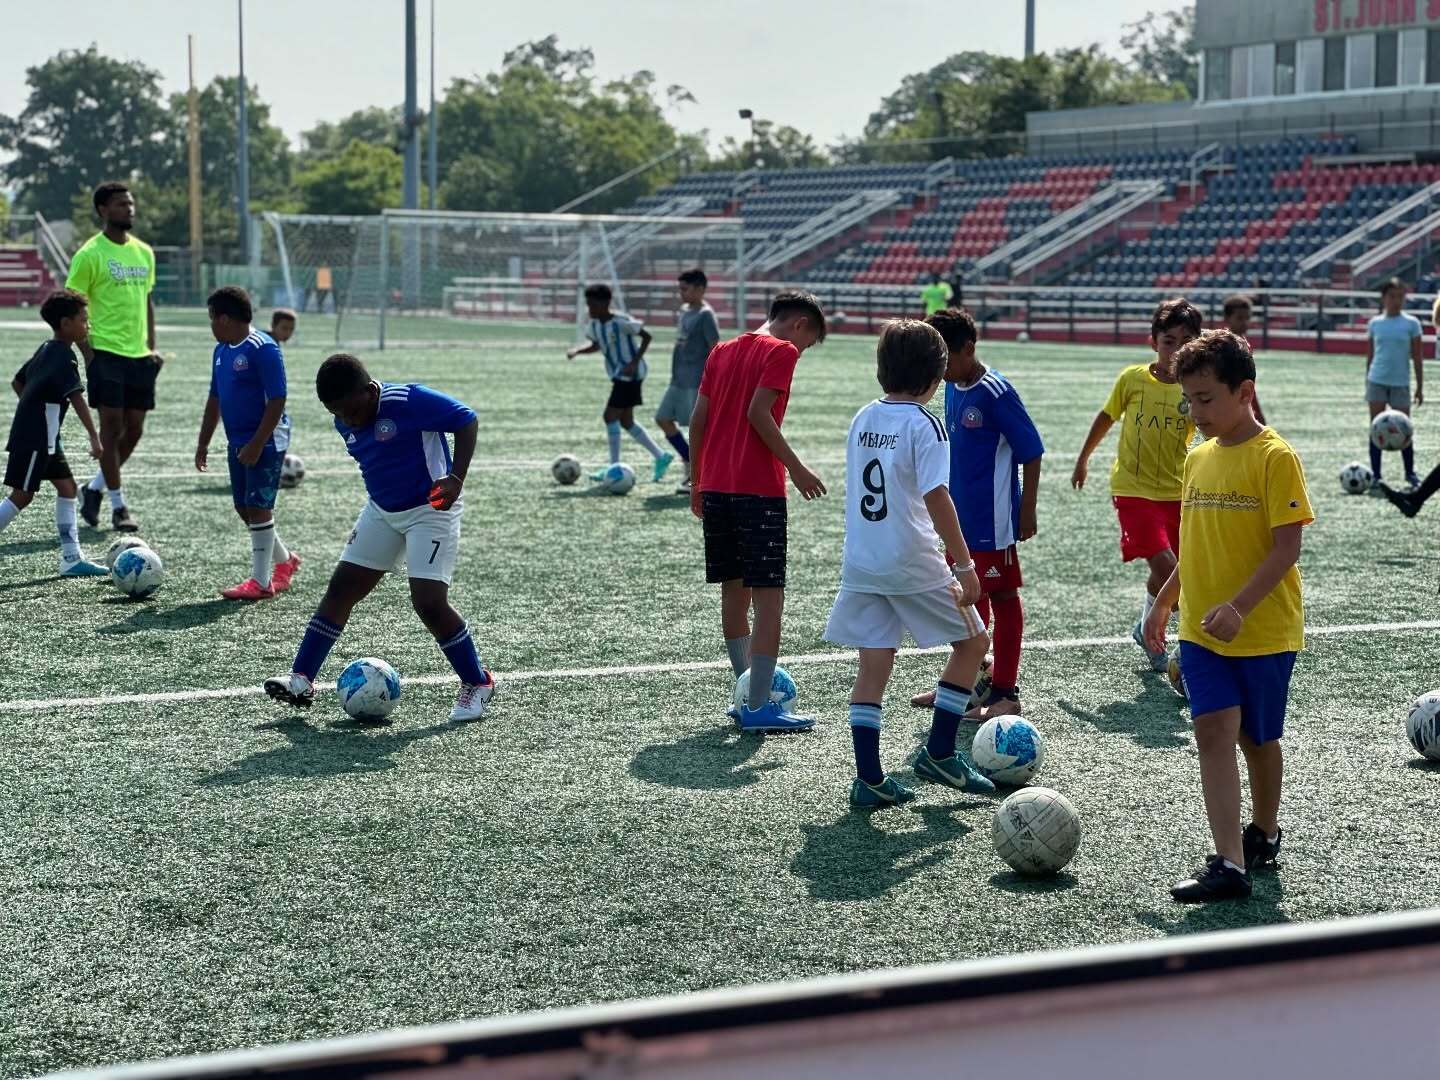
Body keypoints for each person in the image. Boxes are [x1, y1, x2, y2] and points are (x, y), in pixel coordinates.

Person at [1143, 330, 1312, 903]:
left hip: (1263, 631)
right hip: (1200, 632)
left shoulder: (1275, 457)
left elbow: (1286, 548)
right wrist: (1165, 601)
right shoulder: (1196, 457)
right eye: (1189, 399)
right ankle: (1229, 864)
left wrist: (1240, 607)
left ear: (1245, 392)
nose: (1196, 411)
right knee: (1213, 731)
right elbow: (1192, 547)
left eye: (1207, 398)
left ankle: (1263, 831)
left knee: (1257, 740)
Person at [264, 354, 496, 722]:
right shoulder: (344, 418)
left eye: (350, 410)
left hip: (430, 511)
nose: (345, 419)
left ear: (371, 392)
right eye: (335, 412)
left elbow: (466, 419)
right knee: (341, 589)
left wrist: (455, 478)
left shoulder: (409, 400)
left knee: (429, 603)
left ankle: (477, 682)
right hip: (382, 511)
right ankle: (301, 680)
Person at [824, 319, 996, 806]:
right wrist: (964, 567)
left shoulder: (864, 417)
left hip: (862, 561)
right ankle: (940, 751)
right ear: (938, 374)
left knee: (874, 663)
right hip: (910, 559)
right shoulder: (926, 423)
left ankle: (870, 779)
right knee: (974, 642)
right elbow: (937, 497)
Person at [688, 291, 827, 732]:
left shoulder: (722, 350)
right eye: (807, 345)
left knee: (734, 591)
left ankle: (746, 692)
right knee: (769, 599)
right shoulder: (781, 350)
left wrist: (697, 480)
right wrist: (798, 468)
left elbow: (698, 420)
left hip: (717, 487)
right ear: (799, 325)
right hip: (757, 489)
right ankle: (758, 707)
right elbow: (758, 414)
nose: (800, 354)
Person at [909, 307, 1043, 718]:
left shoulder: (996, 393)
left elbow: (1032, 450)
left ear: (968, 348)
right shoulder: (951, 386)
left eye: (945, 357)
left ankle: (1005, 692)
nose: (938, 367)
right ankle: (965, 681)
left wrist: (1027, 510)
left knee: (1001, 597)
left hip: (994, 522)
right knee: (966, 598)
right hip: (960, 520)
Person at [1072, 298, 1200, 673]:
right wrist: (1083, 458)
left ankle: (1146, 626)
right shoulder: (1133, 379)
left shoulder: (1195, 387)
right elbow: (1107, 416)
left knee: (1173, 570)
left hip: (1177, 491)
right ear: (1153, 342)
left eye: (1186, 342)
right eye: (1169, 341)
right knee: (1168, 568)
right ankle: (1157, 630)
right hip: (1132, 490)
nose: (1176, 350)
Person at [195, 286, 300, 600]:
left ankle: (261, 581)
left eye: (212, 318)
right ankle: (286, 561)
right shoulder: (222, 350)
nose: (211, 325)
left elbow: (278, 398)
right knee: (244, 507)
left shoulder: (262, 347)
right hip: (237, 439)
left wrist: (258, 442)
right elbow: (215, 399)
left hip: (265, 439)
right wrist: (203, 442)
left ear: (225, 319)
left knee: (257, 506)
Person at [67, 181, 158, 534]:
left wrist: (152, 347)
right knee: (113, 427)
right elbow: (72, 306)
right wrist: (88, 354)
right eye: (121, 204)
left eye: (131, 203)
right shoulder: (90, 254)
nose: (129, 209)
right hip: (105, 352)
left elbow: (147, 302)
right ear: (103, 210)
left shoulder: (144, 252)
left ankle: (94, 488)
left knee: (134, 430)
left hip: (139, 356)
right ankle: (119, 507)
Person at [0, 290, 107, 577]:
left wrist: (36, 406)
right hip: (35, 438)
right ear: (65, 323)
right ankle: (71, 558)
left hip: (46, 438)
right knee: (22, 495)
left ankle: (71, 559)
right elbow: (76, 397)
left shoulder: (47, 348)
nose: (87, 326)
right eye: (83, 320)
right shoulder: (63, 356)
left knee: (68, 488)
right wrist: (94, 437)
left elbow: (17, 382)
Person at [565, 284, 673, 484]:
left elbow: (646, 336)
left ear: (605, 303)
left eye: (593, 305)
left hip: (631, 375)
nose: (590, 310)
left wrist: (634, 361)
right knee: (626, 421)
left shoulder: (621, 321)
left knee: (609, 416)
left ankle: (614, 468)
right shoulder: (595, 325)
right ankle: (661, 456)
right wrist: (578, 351)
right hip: (618, 375)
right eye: (588, 305)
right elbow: (596, 345)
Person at [657, 269, 720, 494]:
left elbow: (715, 349)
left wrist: (712, 380)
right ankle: (690, 462)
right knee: (663, 418)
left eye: (685, 289)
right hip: (678, 379)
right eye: (680, 288)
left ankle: (699, 476)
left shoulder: (706, 315)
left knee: (699, 429)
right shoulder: (684, 311)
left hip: (696, 380)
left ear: (700, 289)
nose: (681, 293)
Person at [1365, 277, 1423, 491]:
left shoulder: (1412, 324)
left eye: (1400, 296)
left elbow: (1417, 358)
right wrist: (1367, 383)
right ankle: (1376, 476)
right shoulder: (1375, 324)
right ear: (1383, 298)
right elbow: (1370, 356)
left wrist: (1419, 386)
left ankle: (1410, 473)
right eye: (1392, 296)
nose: (1396, 301)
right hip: (1377, 381)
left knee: (1404, 429)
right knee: (1375, 428)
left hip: (1400, 383)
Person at [1221, 294, 1266, 423]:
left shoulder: (1245, 344)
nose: (1245, 322)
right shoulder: (1222, 345)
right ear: (1227, 318)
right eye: (1240, 318)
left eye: (1247, 318)